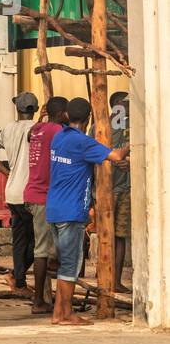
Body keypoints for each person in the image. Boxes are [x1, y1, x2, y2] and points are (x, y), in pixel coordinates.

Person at [46, 97, 130, 325]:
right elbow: (117, 156)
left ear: (66, 116)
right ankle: (65, 314)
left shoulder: (58, 138)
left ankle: (58, 314)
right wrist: (137, 139)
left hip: (53, 209)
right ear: (89, 118)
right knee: (70, 266)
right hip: (71, 211)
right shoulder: (83, 143)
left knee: (65, 263)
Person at [0, 92, 39, 294]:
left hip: (13, 191)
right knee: (38, 239)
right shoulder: (38, 129)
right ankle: (17, 276)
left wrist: (7, 172)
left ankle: (19, 280)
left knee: (20, 239)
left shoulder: (8, 129)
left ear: (18, 109)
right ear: (36, 108)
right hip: (31, 192)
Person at [22, 95, 68, 314]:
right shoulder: (55, 131)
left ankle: (45, 297)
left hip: (32, 193)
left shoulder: (37, 130)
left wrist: (41, 119)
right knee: (43, 251)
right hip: (42, 196)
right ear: (62, 114)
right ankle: (38, 301)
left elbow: (32, 135)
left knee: (47, 249)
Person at [109, 91, 132, 293]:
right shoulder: (98, 127)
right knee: (110, 235)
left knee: (119, 236)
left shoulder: (133, 128)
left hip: (124, 188)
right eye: (125, 103)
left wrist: (130, 160)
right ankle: (108, 279)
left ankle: (115, 281)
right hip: (106, 189)